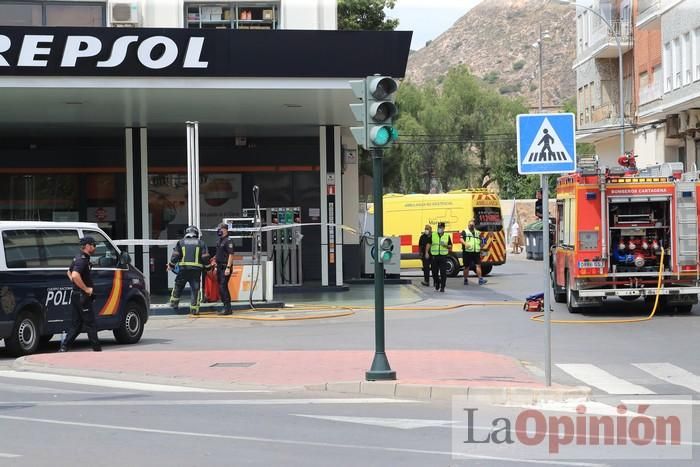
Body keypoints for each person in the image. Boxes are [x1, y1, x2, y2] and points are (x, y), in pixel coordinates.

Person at [60, 236, 101, 352]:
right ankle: (97, 350)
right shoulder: (82, 260)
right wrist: (86, 289)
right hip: (82, 297)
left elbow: (69, 272)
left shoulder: (78, 257)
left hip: (76, 295)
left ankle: (64, 347)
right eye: (93, 245)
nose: (95, 247)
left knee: (76, 325)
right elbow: (74, 275)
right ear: (87, 246)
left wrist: (77, 285)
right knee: (91, 324)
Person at [168, 225, 210, 315]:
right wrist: (208, 267)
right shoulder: (201, 243)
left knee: (178, 285)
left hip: (183, 269)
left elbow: (175, 256)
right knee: (195, 289)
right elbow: (205, 257)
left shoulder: (181, 242)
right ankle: (194, 309)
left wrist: (171, 265)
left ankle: (174, 303)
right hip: (196, 271)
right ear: (196, 233)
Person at [215, 223, 235, 315]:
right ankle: (225, 307)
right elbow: (219, 254)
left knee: (223, 287)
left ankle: (228, 308)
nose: (219, 231)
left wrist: (228, 267)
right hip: (219, 267)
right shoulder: (220, 240)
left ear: (225, 230)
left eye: (220, 229)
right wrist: (215, 266)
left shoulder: (228, 241)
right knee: (221, 288)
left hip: (225, 268)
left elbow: (231, 255)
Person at [461, 220, 487, 286]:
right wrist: (465, 244)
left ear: (474, 225)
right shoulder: (465, 231)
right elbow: (460, 239)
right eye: (470, 225)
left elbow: (483, 239)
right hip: (467, 252)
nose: (471, 226)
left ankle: (480, 279)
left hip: (476, 251)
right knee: (466, 267)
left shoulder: (477, 233)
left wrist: (482, 245)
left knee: (478, 265)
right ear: (468, 225)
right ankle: (465, 279)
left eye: (472, 225)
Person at [428, 221, 451, 292]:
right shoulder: (433, 235)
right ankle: (437, 282)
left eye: (441, 227)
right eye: (438, 227)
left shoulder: (447, 236)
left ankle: (442, 287)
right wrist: (426, 252)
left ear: (444, 228)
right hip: (434, 256)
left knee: (443, 272)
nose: (439, 228)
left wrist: (445, 245)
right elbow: (429, 244)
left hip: (443, 256)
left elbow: (450, 246)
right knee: (434, 272)